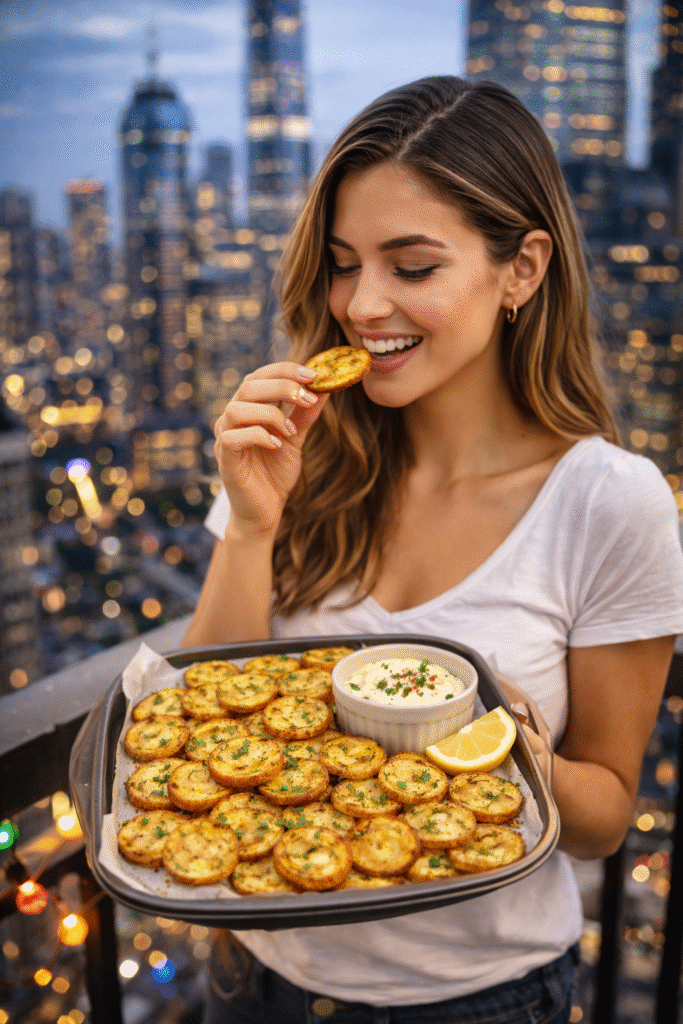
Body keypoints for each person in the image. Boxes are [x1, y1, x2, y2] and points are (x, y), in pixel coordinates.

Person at [183, 76, 683, 1024]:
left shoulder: (609, 504)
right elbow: (211, 718)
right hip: (255, 976)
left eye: (411, 268)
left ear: (521, 270)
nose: (361, 304)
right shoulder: (302, 449)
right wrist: (251, 525)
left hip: (472, 1002)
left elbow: (605, 814)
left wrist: (519, 755)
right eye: (342, 264)